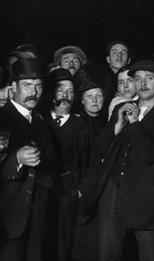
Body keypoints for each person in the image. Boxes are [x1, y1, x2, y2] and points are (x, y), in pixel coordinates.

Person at [93, 60, 154, 261]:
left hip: (148, 199)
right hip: (115, 194)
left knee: (150, 255)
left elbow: (151, 153)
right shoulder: (123, 109)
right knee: (109, 254)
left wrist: (133, 124)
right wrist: (115, 128)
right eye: (138, 79)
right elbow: (99, 148)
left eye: (149, 78)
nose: (143, 84)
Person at [0, 58, 61, 261]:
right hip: (6, 217)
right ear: (13, 87)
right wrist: (17, 159)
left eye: (38, 85)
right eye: (27, 85)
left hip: (38, 217)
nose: (34, 91)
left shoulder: (41, 122)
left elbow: (51, 167)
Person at [42, 68, 91, 261]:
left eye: (70, 91)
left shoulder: (82, 128)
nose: (65, 95)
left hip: (68, 194)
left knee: (64, 245)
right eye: (60, 90)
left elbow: (88, 165)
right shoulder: (39, 121)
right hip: (42, 191)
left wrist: (79, 191)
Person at [76, 63, 108, 136]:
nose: (94, 100)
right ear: (82, 100)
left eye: (99, 96)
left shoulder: (111, 121)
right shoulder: (76, 123)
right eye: (90, 96)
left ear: (104, 98)